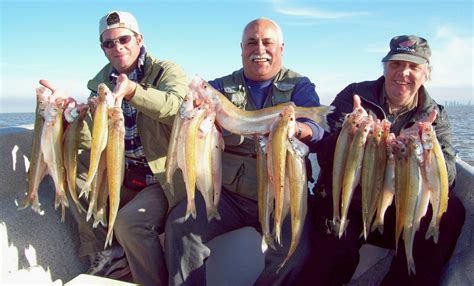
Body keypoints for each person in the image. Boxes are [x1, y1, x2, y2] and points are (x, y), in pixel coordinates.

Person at [164, 17, 324, 285]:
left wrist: (297, 130)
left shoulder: (300, 85)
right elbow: (188, 115)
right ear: (241, 48)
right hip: (229, 193)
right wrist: (194, 107)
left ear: (281, 48)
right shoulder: (219, 88)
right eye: (251, 42)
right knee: (180, 227)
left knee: (295, 252)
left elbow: (318, 131)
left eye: (267, 42)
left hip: (281, 193)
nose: (259, 49)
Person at [297, 35, 466, 285]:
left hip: (399, 206)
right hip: (348, 200)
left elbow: (448, 175)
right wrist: (348, 133)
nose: (403, 73)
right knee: (330, 258)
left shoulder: (434, 115)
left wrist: (425, 152)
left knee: (450, 214)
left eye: (413, 66)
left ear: (426, 73)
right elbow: (323, 151)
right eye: (396, 64)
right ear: (384, 66)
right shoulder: (354, 96)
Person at [41, 11, 188, 285]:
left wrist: (133, 91)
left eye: (124, 39)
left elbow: (175, 108)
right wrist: (72, 117)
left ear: (139, 39)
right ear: (103, 48)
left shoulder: (167, 71)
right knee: (72, 172)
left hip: (160, 177)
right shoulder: (100, 85)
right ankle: (109, 252)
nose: (117, 47)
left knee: (129, 223)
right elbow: (88, 143)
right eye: (109, 43)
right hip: (122, 172)